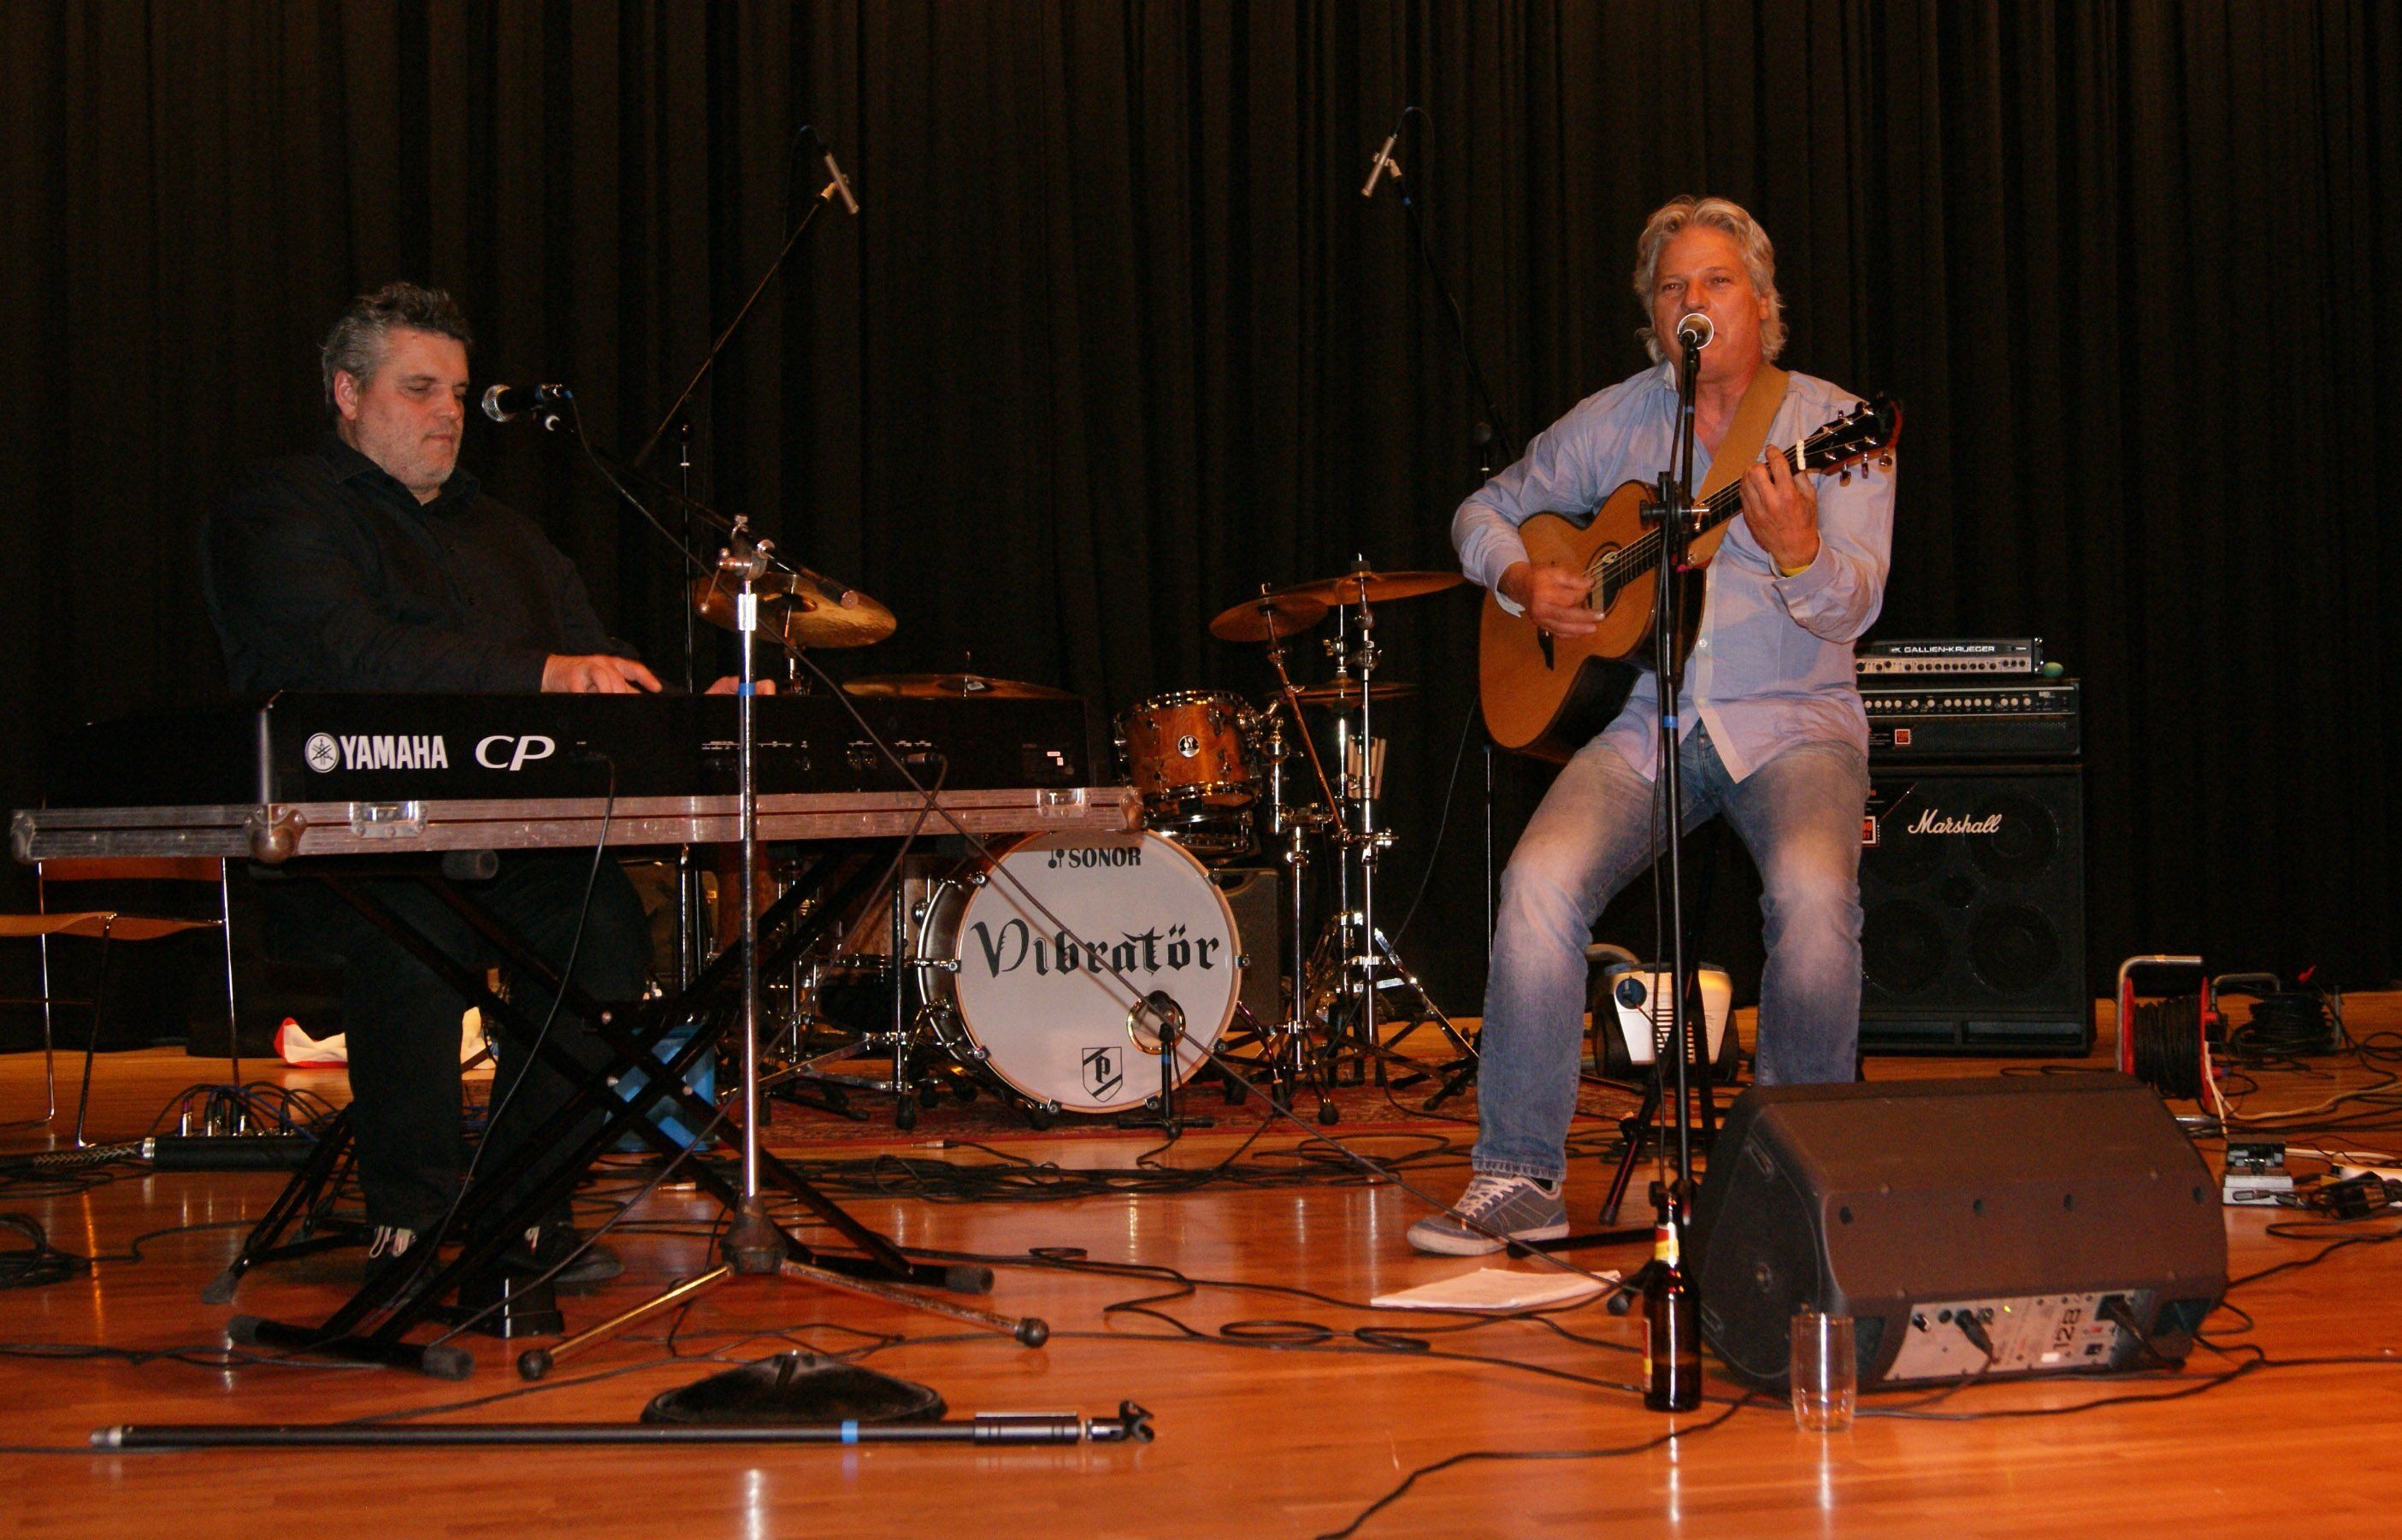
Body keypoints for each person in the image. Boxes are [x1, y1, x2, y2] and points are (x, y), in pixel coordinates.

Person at [204, 281, 721, 1284]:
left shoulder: (509, 537)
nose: (448, 411)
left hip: (502, 841)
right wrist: (541, 674)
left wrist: (694, 705)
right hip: (343, 846)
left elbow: (595, 664)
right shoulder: (278, 508)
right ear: (347, 392)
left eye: (456, 391)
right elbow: (348, 653)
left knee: (604, 927)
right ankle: (411, 1216)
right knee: (417, 923)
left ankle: (524, 1199)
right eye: (419, 388)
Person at [1410, 197, 1895, 1255]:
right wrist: (1522, 579)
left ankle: (1801, 1188)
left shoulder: (1838, 427)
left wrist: (1801, 549)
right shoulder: (1618, 418)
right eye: (1673, 287)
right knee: (1537, 882)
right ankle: (1517, 1174)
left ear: (1761, 303)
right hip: (1648, 716)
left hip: (1796, 723)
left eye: (1716, 281)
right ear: (1653, 316)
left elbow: (1855, 605)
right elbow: (1480, 512)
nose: (1693, 301)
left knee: (1814, 899)